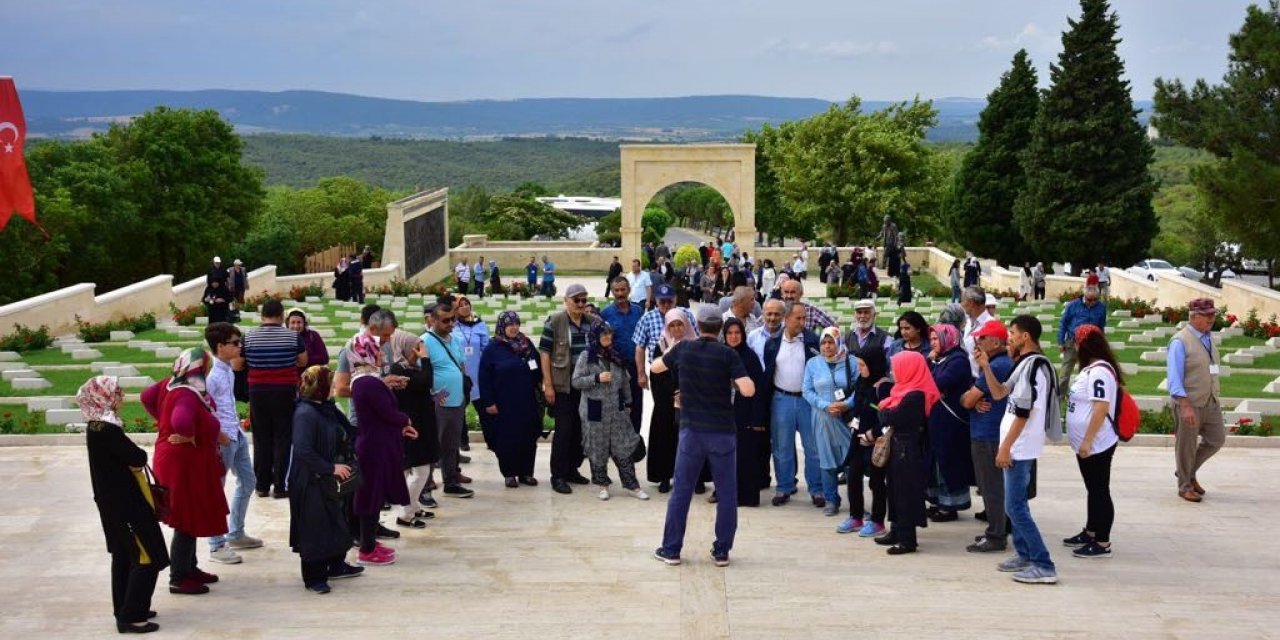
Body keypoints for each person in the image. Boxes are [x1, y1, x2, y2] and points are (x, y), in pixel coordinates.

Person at [651, 305, 755, 567]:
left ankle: (671, 549)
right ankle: (721, 551)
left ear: (697, 324)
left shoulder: (683, 349)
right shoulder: (727, 354)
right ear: (720, 328)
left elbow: (654, 368)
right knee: (728, 493)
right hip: (722, 433)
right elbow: (748, 390)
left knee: (681, 492)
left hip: (691, 432)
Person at [81, 375, 169, 633]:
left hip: (112, 502)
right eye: (116, 391)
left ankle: (127, 606)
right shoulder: (107, 430)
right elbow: (137, 457)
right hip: (125, 503)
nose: (121, 395)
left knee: (123, 554)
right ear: (103, 396)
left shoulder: (96, 425)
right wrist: (136, 457)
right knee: (146, 556)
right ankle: (131, 616)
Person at [978, 314, 1061, 584]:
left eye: (1012, 332)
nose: (1008, 337)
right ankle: (1024, 555)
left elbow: (1023, 413)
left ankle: (1043, 564)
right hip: (1017, 445)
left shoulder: (1034, 366)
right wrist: (986, 368)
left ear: (1025, 336)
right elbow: (1001, 393)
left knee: (1015, 508)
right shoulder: (1024, 364)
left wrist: (1005, 448)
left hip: (1019, 447)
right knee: (1015, 505)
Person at [142, 348, 229, 595]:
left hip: (175, 459)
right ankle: (179, 577)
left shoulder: (171, 383)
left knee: (190, 512)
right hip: (182, 463)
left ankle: (190, 568)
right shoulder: (187, 394)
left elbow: (146, 396)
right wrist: (189, 435)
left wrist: (162, 421)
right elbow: (181, 420)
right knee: (186, 516)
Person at [289, 366, 365, 594]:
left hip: (332, 479)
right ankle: (314, 578)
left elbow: (348, 430)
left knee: (337, 521)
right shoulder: (305, 414)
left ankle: (336, 565)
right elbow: (303, 450)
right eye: (330, 384)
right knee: (316, 528)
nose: (334, 388)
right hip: (312, 480)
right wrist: (330, 467)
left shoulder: (326, 408)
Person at [349, 333, 418, 566]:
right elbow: (387, 413)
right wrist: (405, 420)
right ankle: (367, 549)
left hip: (378, 443)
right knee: (370, 497)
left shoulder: (366, 379)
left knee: (376, 495)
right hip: (375, 448)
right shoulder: (367, 382)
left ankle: (369, 542)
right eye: (377, 351)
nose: (381, 354)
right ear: (367, 353)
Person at [203, 323, 260, 566]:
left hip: (235, 434)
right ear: (220, 346)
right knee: (217, 490)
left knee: (248, 481)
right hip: (223, 438)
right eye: (235, 343)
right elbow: (204, 408)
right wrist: (218, 434)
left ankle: (235, 533)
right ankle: (216, 545)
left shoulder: (227, 369)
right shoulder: (212, 374)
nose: (240, 346)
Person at [572, 322, 648, 501]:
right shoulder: (586, 356)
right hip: (594, 411)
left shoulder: (616, 356)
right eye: (603, 335)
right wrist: (596, 378)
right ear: (595, 337)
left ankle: (632, 485)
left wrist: (628, 403)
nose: (607, 338)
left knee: (623, 448)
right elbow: (576, 381)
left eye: (609, 334)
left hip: (617, 410)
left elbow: (625, 382)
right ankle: (602, 485)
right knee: (597, 448)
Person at [1062, 324, 1120, 558]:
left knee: (1099, 490)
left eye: (1076, 343)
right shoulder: (1091, 369)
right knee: (1092, 489)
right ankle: (1091, 530)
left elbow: (1100, 408)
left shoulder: (1100, 372)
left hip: (1098, 443)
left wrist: (1087, 441)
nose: (1074, 347)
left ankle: (1102, 541)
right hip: (1088, 443)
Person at [873, 351, 940, 555]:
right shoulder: (901, 391)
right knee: (893, 490)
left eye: (897, 366)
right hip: (899, 447)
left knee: (905, 493)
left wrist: (883, 412)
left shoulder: (915, 395)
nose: (893, 371)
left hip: (907, 450)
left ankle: (907, 539)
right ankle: (896, 530)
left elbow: (892, 418)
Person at [242, 299, 307, 498]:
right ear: (281, 316)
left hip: (257, 391)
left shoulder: (249, 336)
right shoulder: (292, 337)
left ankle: (261, 485)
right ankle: (280, 486)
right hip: (285, 390)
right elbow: (303, 360)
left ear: (262, 316)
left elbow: (238, 364)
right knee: (283, 437)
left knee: (261, 437)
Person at [961, 321, 1014, 553]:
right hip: (986, 432)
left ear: (995, 342)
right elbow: (969, 400)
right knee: (990, 485)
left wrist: (968, 400)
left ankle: (996, 536)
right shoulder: (994, 363)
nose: (977, 341)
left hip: (988, 434)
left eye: (982, 338)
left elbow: (969, 400)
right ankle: (996, 528)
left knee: (991, 486)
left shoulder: (998, 365)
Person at [763, 301, 822, 507]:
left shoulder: (812, 341)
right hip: (781, 400)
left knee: (812, 447)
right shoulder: (773, 343)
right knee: (782, 446)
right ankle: (784, 487)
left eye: (804, 318)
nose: (802, 322)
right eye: (798, 318)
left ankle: (816, 489)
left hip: (807, 401)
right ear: (786, 319)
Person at [1167, 297, 1225, 503]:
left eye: (1213, 314)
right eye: (1207, 315)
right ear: (1194, 317)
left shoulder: (1208, 338)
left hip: (1210, 401)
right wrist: (1184, 406)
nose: (1212, 318)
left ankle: (1188, 471)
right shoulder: (1180, 341)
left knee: (1217, 439)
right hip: (1189, 402)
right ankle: (1184, 486)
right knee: (1186, 446)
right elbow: (1174, 378)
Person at [541, 284, 598, 494]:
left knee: (581, 431)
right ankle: (558, 475)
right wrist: (548, 385)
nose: (581, 304)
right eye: (577, 300)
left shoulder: (593, 322)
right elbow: (545, 353)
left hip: (586, 386)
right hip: (563, 385)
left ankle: (572, 469)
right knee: (564, 431)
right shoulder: (555, 321)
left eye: (584, 300)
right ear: (566, 301)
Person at [479, 311, 543, 487]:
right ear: (502, 327)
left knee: (528, 437)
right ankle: (509, 473)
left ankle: (526, 473)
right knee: (507, 438)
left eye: (516, 324)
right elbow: (483, 377)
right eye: (510, 325)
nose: (514, 328)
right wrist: (489, 402)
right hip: (504, 402)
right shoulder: (493, 348)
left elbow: (537, 367)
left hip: (527, 400)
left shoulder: (526, 343)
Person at [423, 296, 475, 499]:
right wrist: (433, 395)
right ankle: (425, 485)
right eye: (445, 320)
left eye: (452, 319)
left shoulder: (453, 340)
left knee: (451, 444)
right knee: (434, 444)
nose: (451, 324)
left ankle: (451, 481)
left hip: (457, 399)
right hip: (438, 403)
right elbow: (422, 374)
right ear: (433, 321)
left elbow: (461, 364)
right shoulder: (425, 342)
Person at [385, 330, 438, 528]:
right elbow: (426, 381)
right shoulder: (399, 369)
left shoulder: (408, 367)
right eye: (415, 347)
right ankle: (405, 513)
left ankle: (413, 506)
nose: (419, 350)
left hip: (420, 421)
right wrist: (425, 359)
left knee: (417, 467)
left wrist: (419, 359)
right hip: (411, 425)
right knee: (420, 469)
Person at [837, 345, 891, 537]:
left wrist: (872, 434)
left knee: (876, 482)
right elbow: (857, 408)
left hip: (874, 442)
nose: (860, 369)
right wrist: (853, 424)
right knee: (853, 477)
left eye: (863, 365)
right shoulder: (862, 381)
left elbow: (887, 419)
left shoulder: (884, 386)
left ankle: (877, 521)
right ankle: (856, 517)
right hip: (858, 440)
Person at [802, 326, 855, 516]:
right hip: (823, 417)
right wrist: (825, 405)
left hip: (846, 419)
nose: (827, 346)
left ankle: (856, 504)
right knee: (826, 460)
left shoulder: (851, 362)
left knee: (851, 460)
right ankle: (831, 500)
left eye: (831, 342)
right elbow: (807, 390)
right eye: (823, 343)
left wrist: (846, 405)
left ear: (838, 342)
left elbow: (861, 388)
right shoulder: (813, 364)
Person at [926, 323, 975, 521]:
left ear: (949, 338)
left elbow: (936, 383)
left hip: (951, 422)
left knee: (949, 462)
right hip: (937, 420)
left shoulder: (958, 360)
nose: (932, 343)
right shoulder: (941, 358)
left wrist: (929, 366)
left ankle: (950, 506)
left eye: (936, 338)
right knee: (936, 461)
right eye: (931, 339)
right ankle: (939, 502)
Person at [646, 307, 696, 493]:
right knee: (665, 438)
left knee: (692, 441)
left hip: (691, 400)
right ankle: (665, 477)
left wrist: (686, 391)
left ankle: (695, 479)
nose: (676, 329)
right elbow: (656, 374)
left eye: (679, 324)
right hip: (666, 401)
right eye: (672, 325)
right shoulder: (661, 346)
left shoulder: (694, 344)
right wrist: (673, 393)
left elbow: (700, 373)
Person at [721, 317, 768, 507]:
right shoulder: (721, 354)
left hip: (745, 413)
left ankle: (747, 496)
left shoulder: (749, 357)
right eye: (729, 333)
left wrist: (757, 419)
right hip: (724, 413)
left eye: (737, 333)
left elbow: (759, 389)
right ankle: (726, 493)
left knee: (745, 455)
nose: (733, 336)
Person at [600, 277, 645, 433]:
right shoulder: (605, 314)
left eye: (622, 289)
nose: (620, 293)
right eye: (616, 290)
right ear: (612, 292)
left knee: (637, 404)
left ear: (628, 290)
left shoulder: (639, 311)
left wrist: (642, 372)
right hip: (615, 368)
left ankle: (635, 440)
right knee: (618, 405)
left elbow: (643, 339)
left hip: (635, 366)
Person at [454, 296, 489, 453]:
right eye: (461, 305)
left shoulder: (480, 325)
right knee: (460, 409)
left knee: (484, 409)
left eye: (467, 303)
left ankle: (490, 439)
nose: (465, 307)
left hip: (478, 372)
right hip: (460, 373)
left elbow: (486, 348)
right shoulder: (453, 326)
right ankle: (463, 441)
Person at [1058, 285, 1106, 387]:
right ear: (1084, 295)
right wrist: (1061, 342)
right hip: (1072, 341)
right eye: (1089, 299)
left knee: (1089, 371)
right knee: (1065, 372)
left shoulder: (1101, 307)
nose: (1092, 302)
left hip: (1091, 344)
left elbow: (1101, 326)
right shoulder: (1073, 305)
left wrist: (1102, 343)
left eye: (1095, 300)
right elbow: (1063, 323)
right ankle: (1059, 396)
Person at [747, 298, 785, 367]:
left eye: (777, 314)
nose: (772, 318)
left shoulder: (788, 336)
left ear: (783, 316)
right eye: (769, 314)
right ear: (763, 314)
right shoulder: (753, 336)